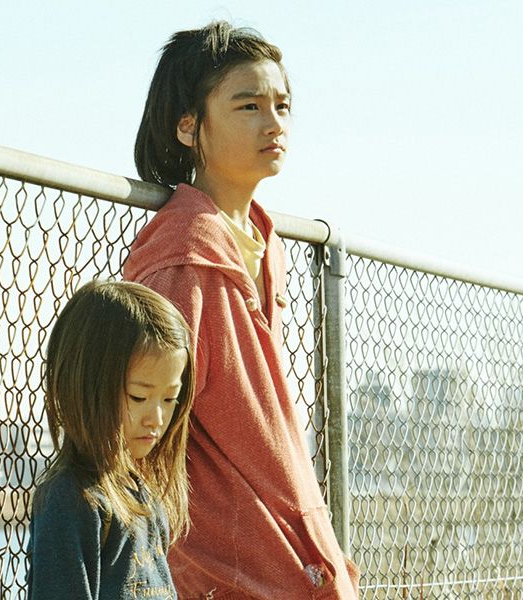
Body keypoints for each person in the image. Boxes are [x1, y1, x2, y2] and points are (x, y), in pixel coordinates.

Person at [123, 20, 360, 600]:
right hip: (224, 569)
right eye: (249, 106)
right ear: (189, 126)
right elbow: (147, 431)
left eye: (282, 105)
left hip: (288, 559)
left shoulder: (262, 240)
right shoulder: (183, 255)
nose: (274, 123)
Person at [26, 280, 194, 599]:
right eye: (139, 396)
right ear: (87, 387)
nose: (157, 418)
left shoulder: (144, 495)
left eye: (170, 398)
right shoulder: (71, 500)